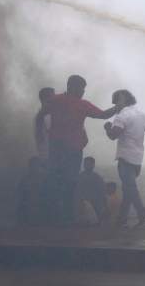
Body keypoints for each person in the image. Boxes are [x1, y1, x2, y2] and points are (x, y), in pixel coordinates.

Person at [44, 75, 117, 224]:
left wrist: (46, 135)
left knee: (56, 181)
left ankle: (55, 217)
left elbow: (41, 115)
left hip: (56, 148)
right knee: (70, 183)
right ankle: (67, 217)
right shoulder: (81, 104)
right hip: (72, 150)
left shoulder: (55, 100)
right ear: (73, 87)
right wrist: (119, 107)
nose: (83, 91)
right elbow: (103, 115)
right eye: (82, 88)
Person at [105, 88, 145, 228]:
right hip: (138, 159)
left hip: (125, 158)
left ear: (125, 100)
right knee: (128, 190)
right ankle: (121, 220)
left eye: (117, 101)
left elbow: (113, 135)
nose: (115, 105)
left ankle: (143, 216)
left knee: (130, 188)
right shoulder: (143, 115)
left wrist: (107, 128)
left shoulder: (121, 117)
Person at [16, 157, 47, 225]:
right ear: (30, 167)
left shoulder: (45, 180)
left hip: (41, 211)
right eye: (33, 165)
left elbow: (48, 196)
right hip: (28, 211)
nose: (35, 168)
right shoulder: (25, 180)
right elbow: (20, 196)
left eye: (37, 165)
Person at [76, 156, 107, 225]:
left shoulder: (98, 178)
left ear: (93, 165)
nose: (87, 166)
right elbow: (77, 193)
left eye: (89, 164)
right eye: (85, 164)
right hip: (83, 203)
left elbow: (103, 194)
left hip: (95, 204)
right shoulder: (80, 177)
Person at [34, 87, 54, 160]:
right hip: (49, 156)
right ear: (45, 99)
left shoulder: (40, 115)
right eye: (53, 97)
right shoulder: (45, 116)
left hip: (46, 156)